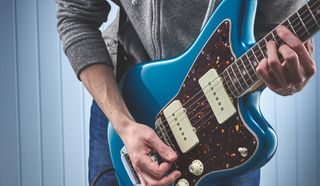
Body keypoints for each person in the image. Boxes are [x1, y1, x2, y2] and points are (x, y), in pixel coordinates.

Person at [57, 0, 316, 185]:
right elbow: (75, 16)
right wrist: (124, 125)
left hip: (225, 128)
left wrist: (288, 79)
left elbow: (281, 37)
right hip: (127, 104)